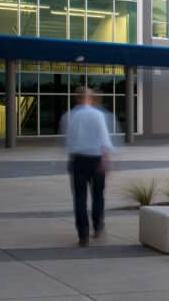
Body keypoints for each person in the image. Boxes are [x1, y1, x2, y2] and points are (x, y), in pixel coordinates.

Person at [61, 86, 114, 246]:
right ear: (90, 98)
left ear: (77, 98)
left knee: (79, 198)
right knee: (98, 195)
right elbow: (104, 139)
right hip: (96, 159)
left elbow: (68, 142)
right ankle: (97, 226)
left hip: (77, 160)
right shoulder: (97, 115)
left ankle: (83, 234)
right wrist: (107, 159)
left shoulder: (69, 116)